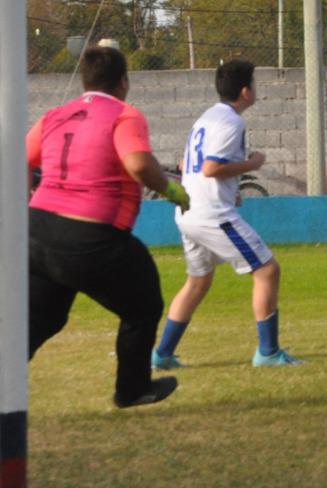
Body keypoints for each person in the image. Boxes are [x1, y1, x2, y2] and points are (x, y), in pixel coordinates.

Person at [25, 46, 190, 408]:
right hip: (91, 234)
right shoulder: (123, 115)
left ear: (85, 80)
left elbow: (20, 159)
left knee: (40, 319)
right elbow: (138, 164)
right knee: (143, 306)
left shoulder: (55, 115)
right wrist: (174, 191)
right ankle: (132, 390)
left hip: (36, 231)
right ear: (124, 82)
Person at [152, 59, 301, 369]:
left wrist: (230, 190)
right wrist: (252, 164)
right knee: (267, 270)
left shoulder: (207, 117)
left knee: (198, 281)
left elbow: (186, 165)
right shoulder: (232, 122)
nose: (256, 89)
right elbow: (211, 167)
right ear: (245, 91)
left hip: (189, 211)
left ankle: (162, 355)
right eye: (255, 83)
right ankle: (268, 353)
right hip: (212, 215)